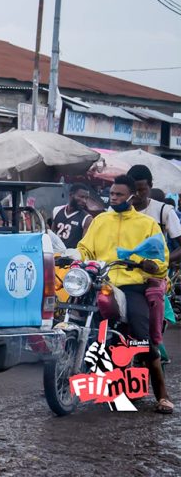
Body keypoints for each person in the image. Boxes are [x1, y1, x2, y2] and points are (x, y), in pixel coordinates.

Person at [77, 174, 173, 414]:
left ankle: (162, 394)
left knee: (143, 336)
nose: (114, 198)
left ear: (132, 196)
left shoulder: (147, 224)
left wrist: (149, 264)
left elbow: (161, 259)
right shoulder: (100, 221)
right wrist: (79, 259)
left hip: (132, 286)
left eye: (119, 194)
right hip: (101, 282)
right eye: (111, 194)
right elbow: (85, 247)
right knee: (78, 319)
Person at [127, 165, 181, 263]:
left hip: (153, 274)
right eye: (133, 190)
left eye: (141, 190)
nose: (137, 194)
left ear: (150, 186)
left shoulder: (164, 211)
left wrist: (163, 262)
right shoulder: (116, 210)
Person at [52, 183, 93, 249]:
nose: (84, 201)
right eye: (82, 197)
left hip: (71, 256)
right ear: (71, 195)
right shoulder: (57, 210)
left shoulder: (87, 218)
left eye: (86, 198)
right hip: (55, 253)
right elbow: (51, 235)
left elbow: (84, 246)